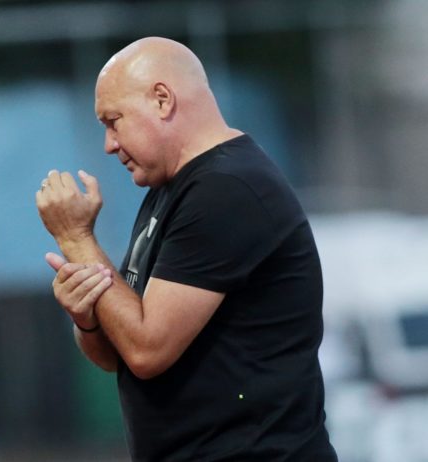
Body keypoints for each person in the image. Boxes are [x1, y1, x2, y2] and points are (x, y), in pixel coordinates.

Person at [36, 37, 337, 462]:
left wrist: (76, 239)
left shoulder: (227, 189)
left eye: (113, 121)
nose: (109, 144)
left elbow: (147, 350)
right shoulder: (172, 189)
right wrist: (87, 317)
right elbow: (120, 354)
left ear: (162, 100)